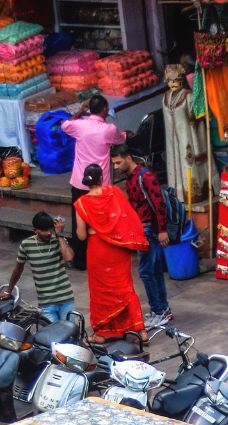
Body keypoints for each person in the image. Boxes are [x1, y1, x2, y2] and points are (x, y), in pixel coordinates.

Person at [73, 163, 149, 341]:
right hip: (118, 249)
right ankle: (141, 331)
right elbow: (127, 218)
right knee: (125, 288)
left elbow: (82, 236)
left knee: (101, 292)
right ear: (101, 178)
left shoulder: (82, 203)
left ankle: (102, 333)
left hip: (97, 250)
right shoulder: (114, 192)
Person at [60, 96, 125, 270]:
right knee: (101, 222)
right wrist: (126, 134)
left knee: (78, 222)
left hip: (80, 183)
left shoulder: (79, 125)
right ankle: (102, 259)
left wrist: (81, 110)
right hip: (99, 186)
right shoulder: (108, 129)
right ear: (104, 110)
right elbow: (120, 139)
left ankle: (81, 261)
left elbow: (64, 124)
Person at [111, 146, 172, 321]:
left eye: (118, 162)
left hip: (149, 229)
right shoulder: (131, 177)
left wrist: (162, 230)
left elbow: (159, 204)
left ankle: (158, 311)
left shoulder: (145, 176)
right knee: (153, 270)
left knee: (146, 271)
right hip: (141, 229)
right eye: (114, 163)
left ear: (128, 158)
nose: (116, 167)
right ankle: (162, 309)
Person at [8, 212, 77, 324]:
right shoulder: (26, 245)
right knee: (51, 338)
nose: (49, 233)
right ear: (35, 230)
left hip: (66, 300)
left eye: (51, 229)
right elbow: (18, 270)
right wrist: (8, 291)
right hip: (46, 303)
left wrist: (60, 234)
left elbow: (68, 258)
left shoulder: (58, 240)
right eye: (45, 230)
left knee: (70, 335)